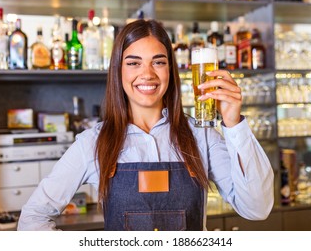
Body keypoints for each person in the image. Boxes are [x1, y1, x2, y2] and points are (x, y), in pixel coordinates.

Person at [18, 19, 274, 231]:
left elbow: (256, 208)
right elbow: (32, 219)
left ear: (170, 71)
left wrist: (233, 123)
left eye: (158, 62)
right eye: (133, 62)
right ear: (118, 71)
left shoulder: (202, 137)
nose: (147, 73)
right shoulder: (93, 143)